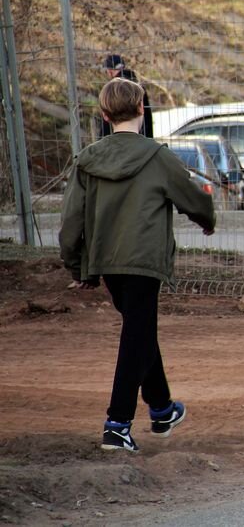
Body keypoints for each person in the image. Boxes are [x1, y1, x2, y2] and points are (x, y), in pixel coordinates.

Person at [59, 77, 216, 452]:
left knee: (138, 331)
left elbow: (71, 218)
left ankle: (161, 410)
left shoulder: (88, 159)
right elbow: (191, 196)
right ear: (142, 109)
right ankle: (117, 424)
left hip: (107, 260)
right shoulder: (157, 156)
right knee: (137, 335)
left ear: (104, 114)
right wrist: (206, 219)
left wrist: (75, 263)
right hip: (144, 261)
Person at [100, 54, 153, 138]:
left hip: (115, 142)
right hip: (141, 140)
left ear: (110, 71)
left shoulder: (112, 90)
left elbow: (107, 123)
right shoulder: (139, 87)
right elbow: (147, 118)